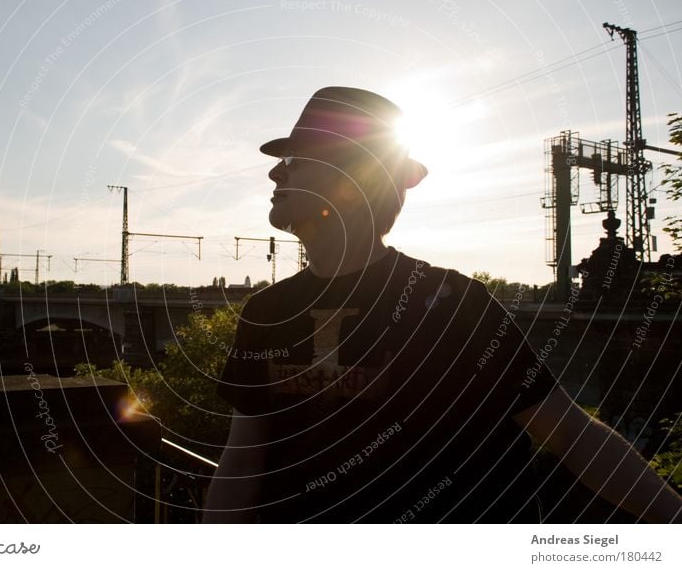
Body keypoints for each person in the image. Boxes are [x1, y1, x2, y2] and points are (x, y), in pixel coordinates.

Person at [202, 86, 682, 523]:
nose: (275, 171)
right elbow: (244, 459)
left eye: (296, 160)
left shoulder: (453, 304)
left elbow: (570, 434)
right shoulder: (265, 311)